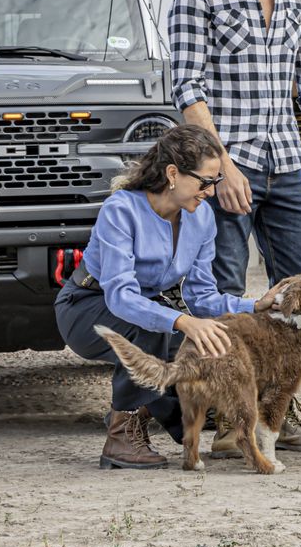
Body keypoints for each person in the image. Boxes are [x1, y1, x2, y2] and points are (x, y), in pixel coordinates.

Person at [167, 0, 301, 454]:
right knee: (225, 286)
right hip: (227, 164)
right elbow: (187, 86)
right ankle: (225, 420)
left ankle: (278, 412)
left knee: (298, 291)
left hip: (285, 157)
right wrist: (223, 166)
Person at [55, 123, 246, 470]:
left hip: (147, 310)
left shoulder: (203, 217)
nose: (211, 192)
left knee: (200, 343)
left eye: (215, 181)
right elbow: (121, 298)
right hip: (85, 306)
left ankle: (189, 420)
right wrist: (182, 321)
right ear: (173, 174)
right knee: (156, 330)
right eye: (205, 182)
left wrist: (256, 306)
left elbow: (202, 297)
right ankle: (121, 435)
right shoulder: (120, 209)